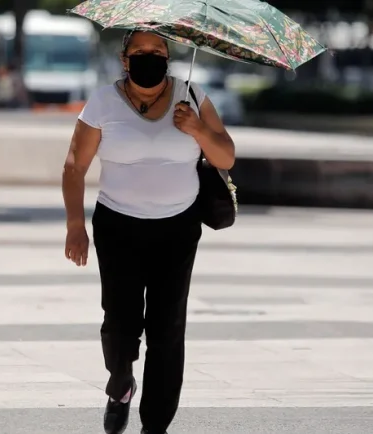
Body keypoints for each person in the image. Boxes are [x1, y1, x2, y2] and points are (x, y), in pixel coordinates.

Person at [61, 30, 235, 434]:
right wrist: (75, 226)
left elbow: (226, 155)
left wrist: (198, 129)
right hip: (118, 226)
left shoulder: (192, 97)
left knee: (167, 328)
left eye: (157, 51)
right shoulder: (103, 102)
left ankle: (155, 424)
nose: (148, 57)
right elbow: (74, 166)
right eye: (139, 51)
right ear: (125, 59)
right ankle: (120, 384)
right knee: (119, 325)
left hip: (178, 228)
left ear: (169, 56)